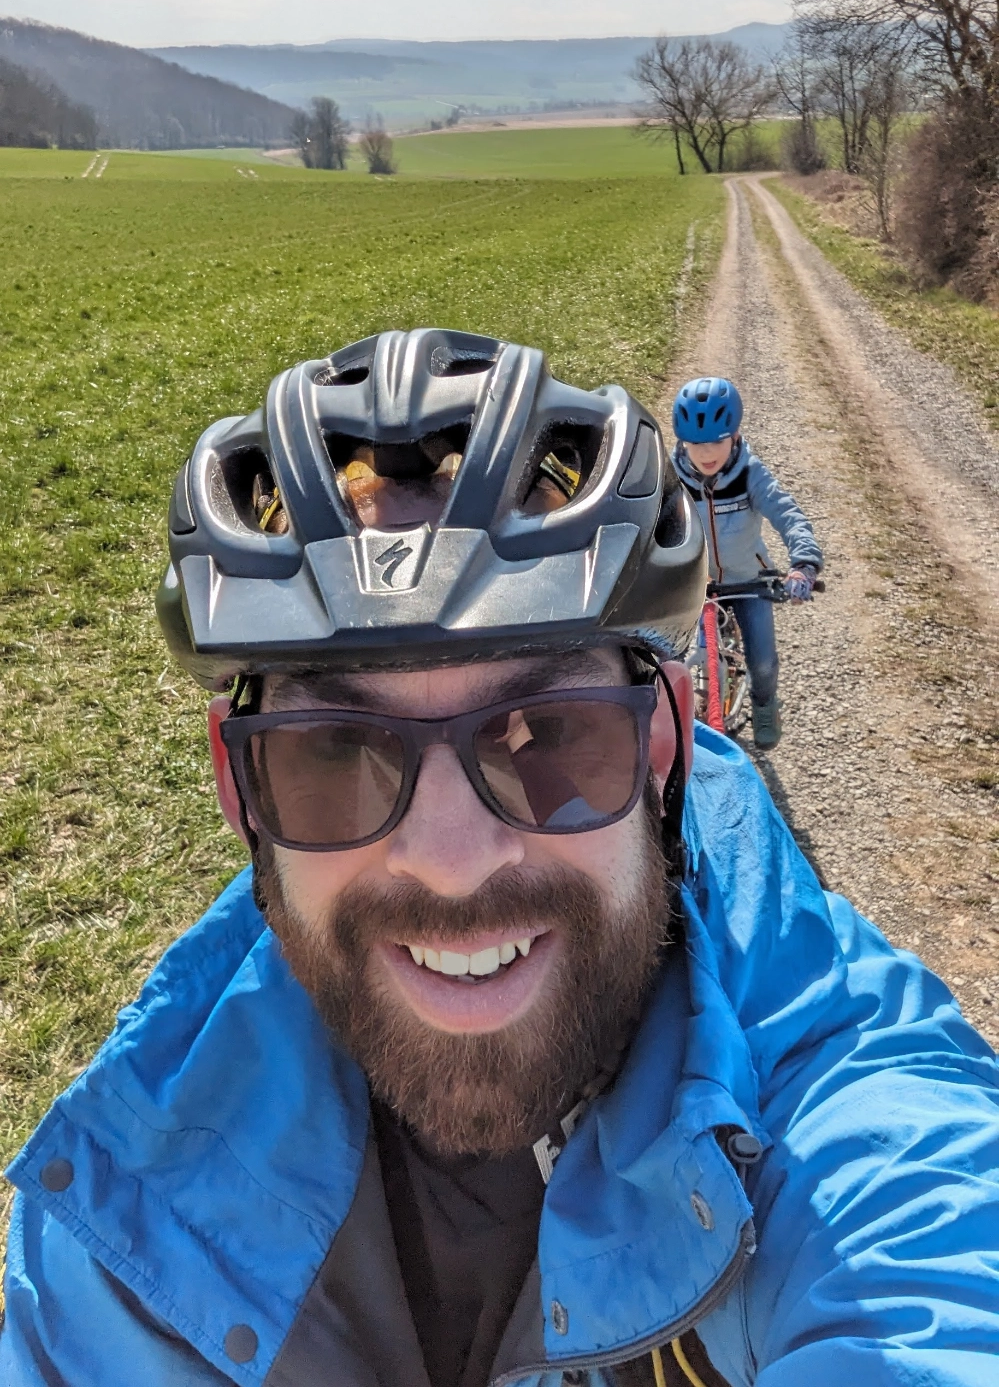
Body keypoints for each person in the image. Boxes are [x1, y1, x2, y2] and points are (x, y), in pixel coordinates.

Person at [3, 329, 997, 1387]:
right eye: (335, 751)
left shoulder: (844, 1103)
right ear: (240, 790)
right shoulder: (117, 1235)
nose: (450, 862)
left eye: (549, 733)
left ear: (662, 747)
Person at [671, 377, 823, 749]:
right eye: (696, 444)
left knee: (764, 662)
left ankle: (765, 703)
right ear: (682, 441)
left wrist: (803, 563)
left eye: (717, 441)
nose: (707, 454)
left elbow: (788, 515)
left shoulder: (751, 475)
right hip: (692, 583)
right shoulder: (670, 477)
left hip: (748, 581)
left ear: (735, 435)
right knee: (669, 660)